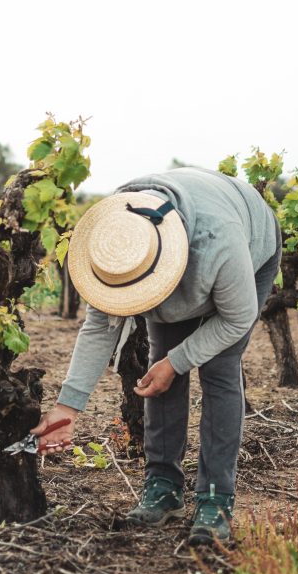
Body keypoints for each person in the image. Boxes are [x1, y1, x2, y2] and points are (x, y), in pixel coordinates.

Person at [30, 166, 282, 545]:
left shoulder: (219, 243)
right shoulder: (116, 244)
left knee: (219, 368)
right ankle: (163, 486)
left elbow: (236, 320)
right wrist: (68, 408)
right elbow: (100, 328)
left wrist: (179, 362)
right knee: (160, 366)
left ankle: (216, 498)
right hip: (185, 262)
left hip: (247, 246)